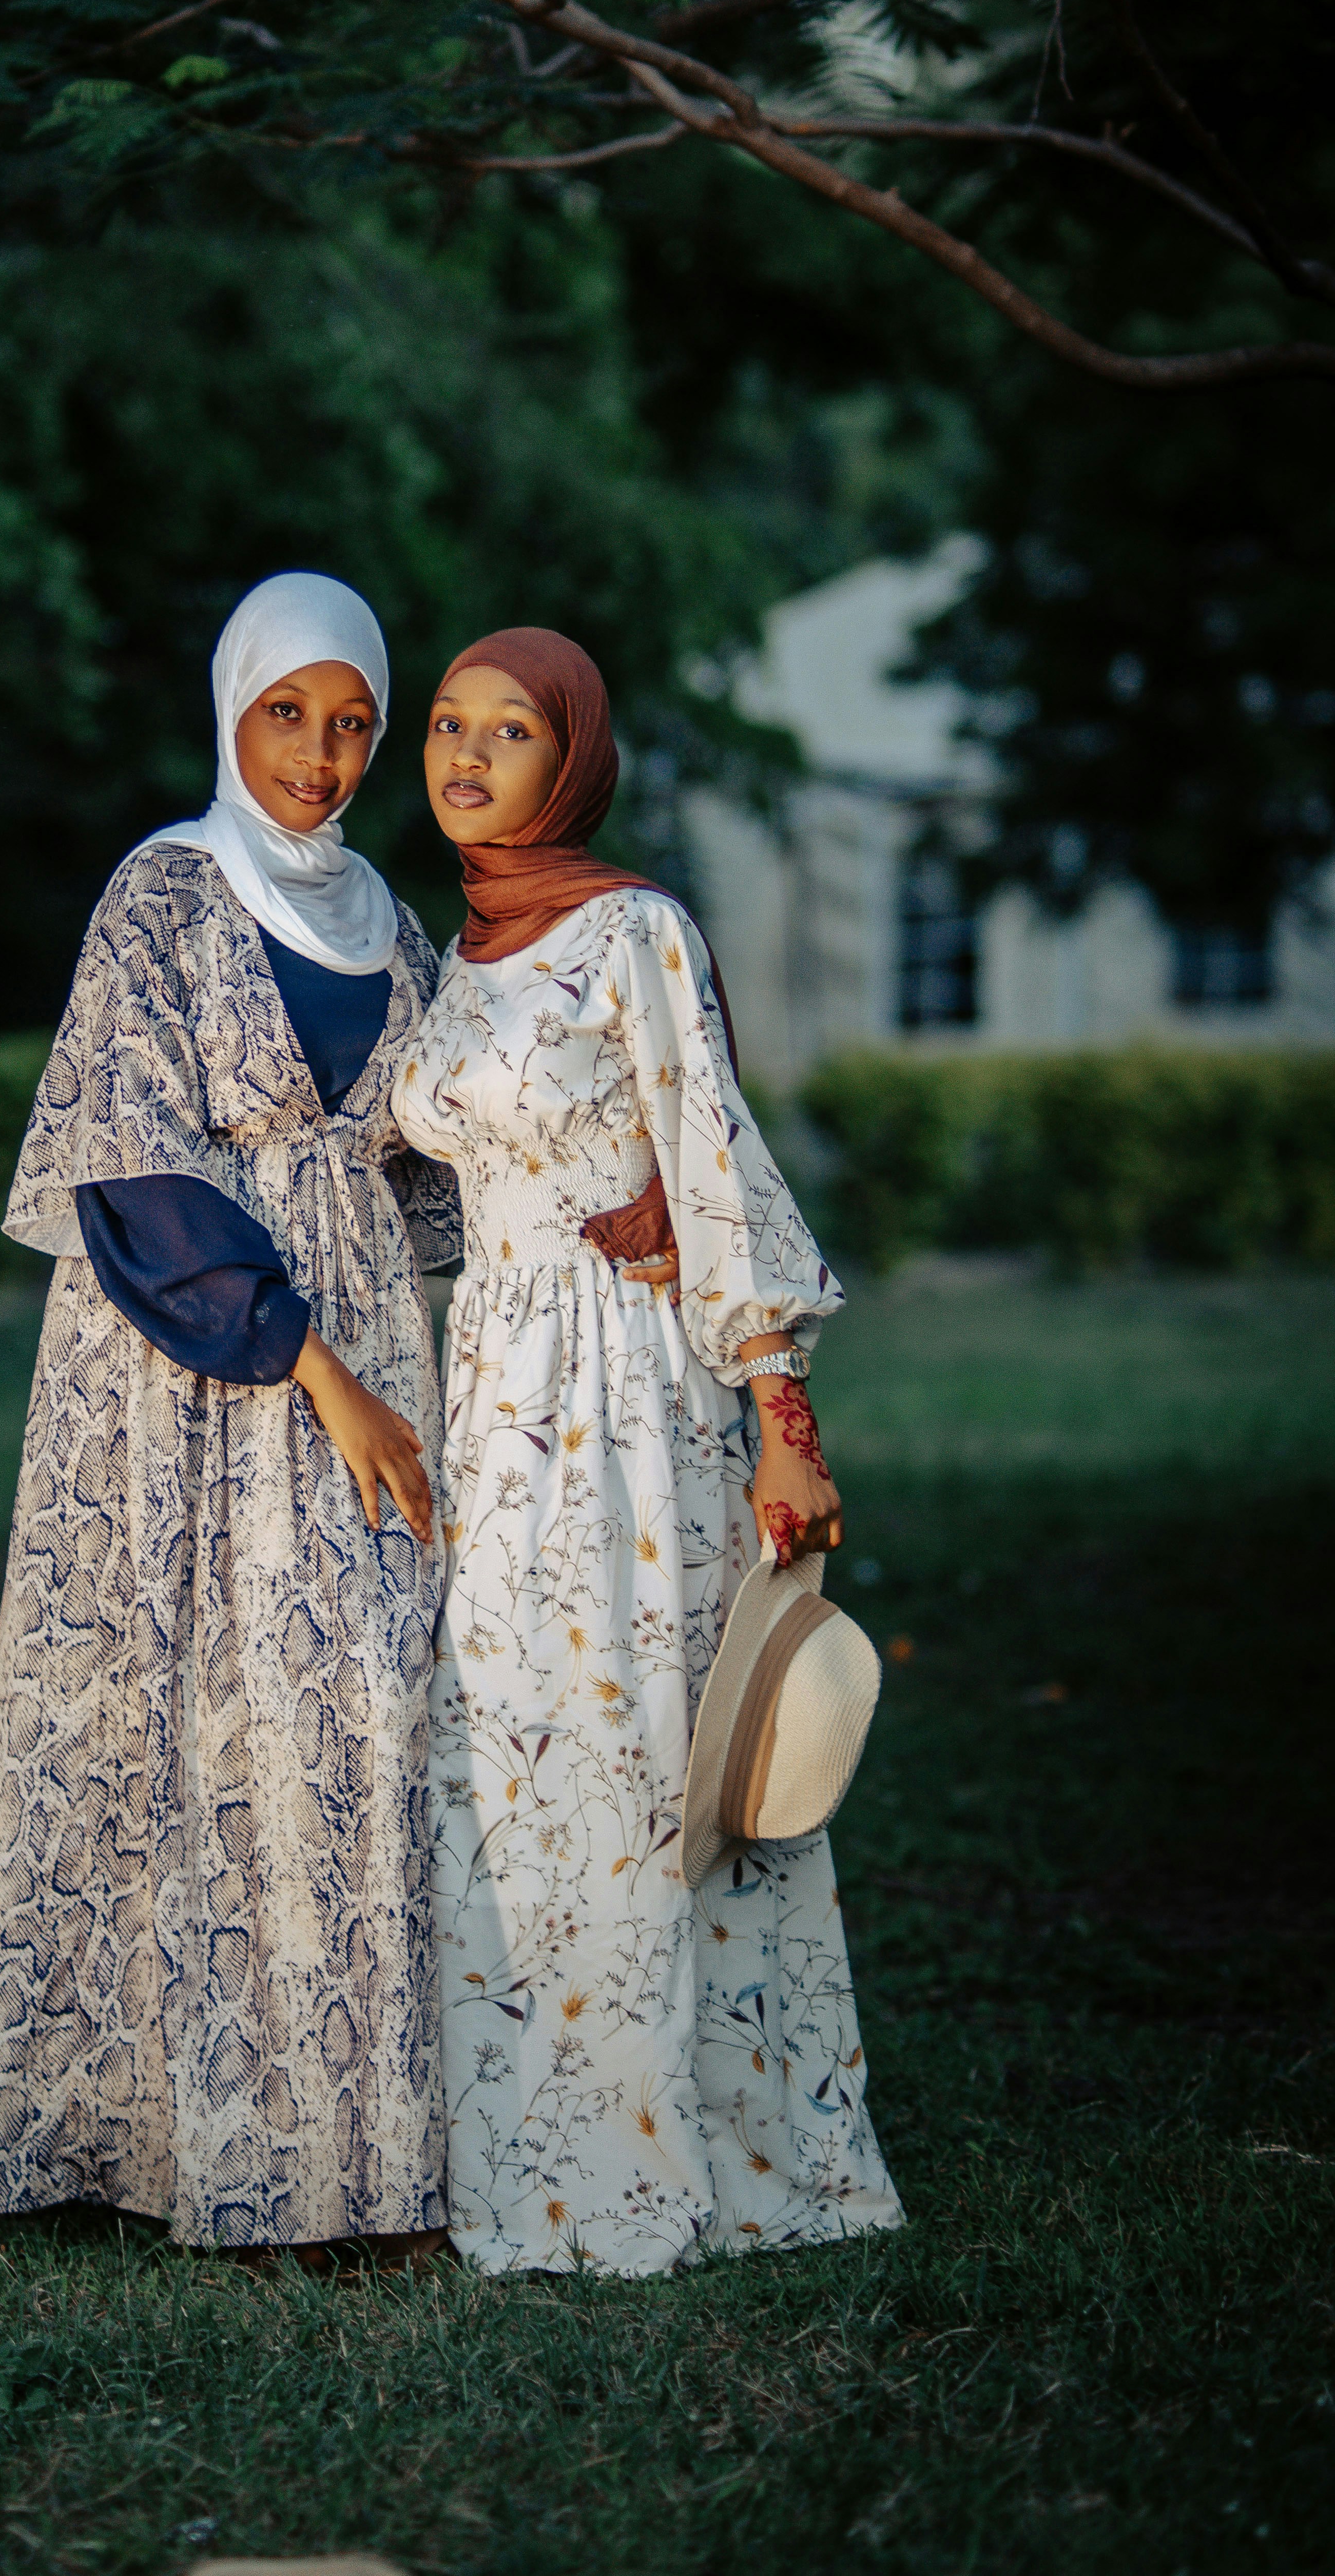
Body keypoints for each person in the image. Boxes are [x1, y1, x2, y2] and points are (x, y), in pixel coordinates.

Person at [0, 572, 460, 2264]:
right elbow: (137, 1171)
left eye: (353, 721)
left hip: (372, 1348)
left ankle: (354, 2162)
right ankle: (124, 2141)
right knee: (175, 1724)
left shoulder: (392, 923)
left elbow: (458, 1158)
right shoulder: (165, 890)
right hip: (188, 1373)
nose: (319, 753)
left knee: (365, 1716)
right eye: (286, 712)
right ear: (230, 709)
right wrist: (322, 1372)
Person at [392, 627, 901, 2276]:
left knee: (644, 1751)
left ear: (576, 759)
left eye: (511, 731)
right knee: (505, 1750)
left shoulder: (634, 931)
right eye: (449, 725)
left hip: (622, 1395)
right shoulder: (455, 955)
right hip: (488, 1388)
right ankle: (526, 2153)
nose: (468, 757)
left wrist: (784, 1422)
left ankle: (685, 2169)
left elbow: (717, 1161)